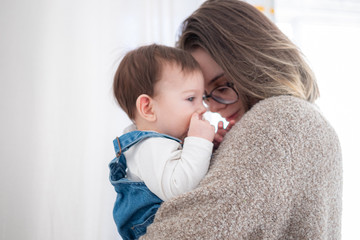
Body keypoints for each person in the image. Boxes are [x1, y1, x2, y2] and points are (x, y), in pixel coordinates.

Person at [141, 0, 342, 239]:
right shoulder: (307, 118)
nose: (213, 106)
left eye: (222, 87)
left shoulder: (278, 119)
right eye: (203, 96)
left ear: (254, 64)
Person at [109, 44, 215, 240]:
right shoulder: (150, 146)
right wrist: (199, 142)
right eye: (191, 98)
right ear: (148, 108)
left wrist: (210, 144)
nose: (202, 108)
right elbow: (179, 189)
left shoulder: (159, 143)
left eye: (203, 98)